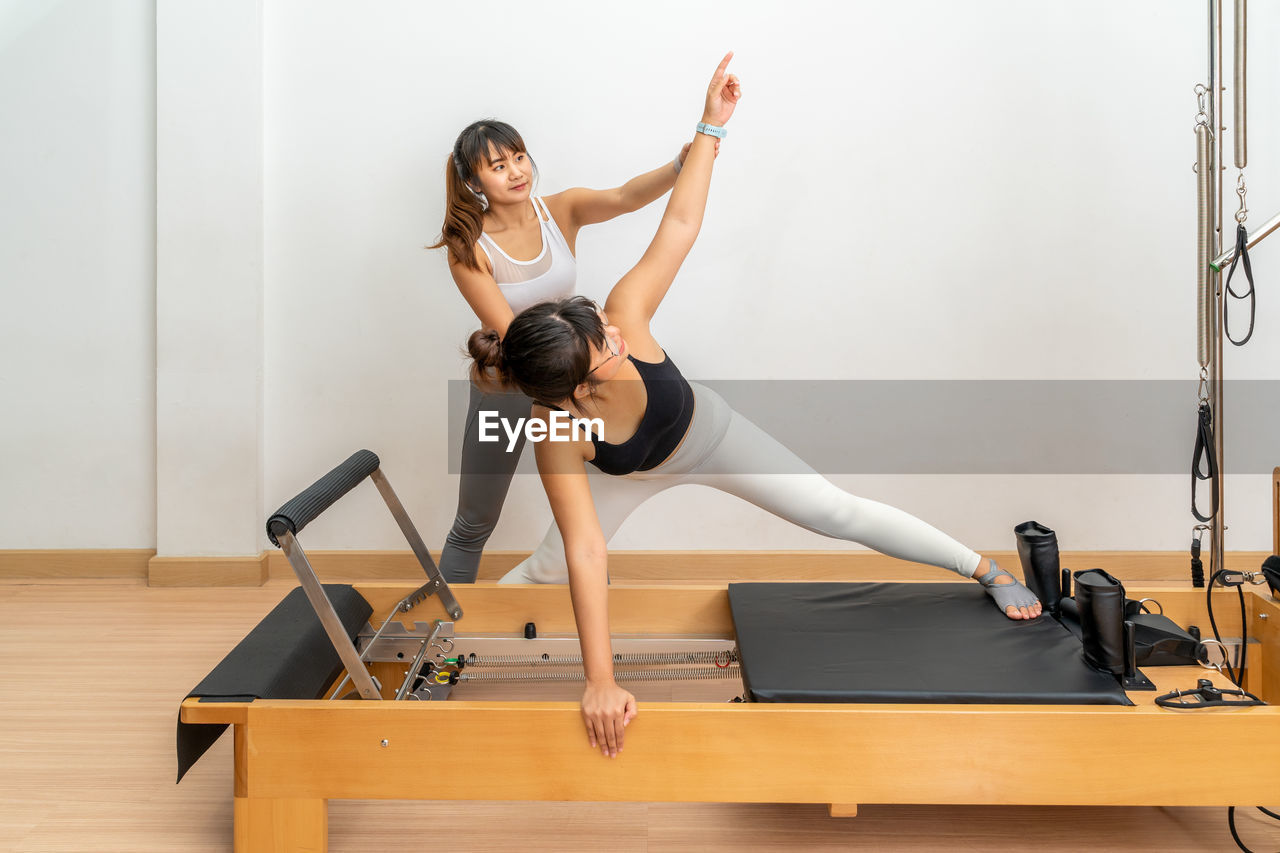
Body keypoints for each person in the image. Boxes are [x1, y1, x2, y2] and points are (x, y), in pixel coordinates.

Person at [468, 53, 1042, 760]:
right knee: (549, 568)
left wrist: (711, 126)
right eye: (604, 345)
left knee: (834, 511)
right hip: (628, 471)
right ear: (578, 389)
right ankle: (452, 642)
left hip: (706, 435)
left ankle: (983, 569)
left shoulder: (625, 314)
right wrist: (601, 681)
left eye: (605, 326)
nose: (616, 332)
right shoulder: (558, 426)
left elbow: (679, 226)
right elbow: (590, 550)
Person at [430, 117, 715, 584]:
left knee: (589, 517)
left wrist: (679, 166)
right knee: (474, 520)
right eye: (498, 165)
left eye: (519, 157)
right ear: (471, 180)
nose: (516, 171)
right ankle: (445, 638)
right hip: (508, 387)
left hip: (573, 383)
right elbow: (517, 339)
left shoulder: (560, 210)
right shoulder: (469, 248)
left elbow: (625, 197)